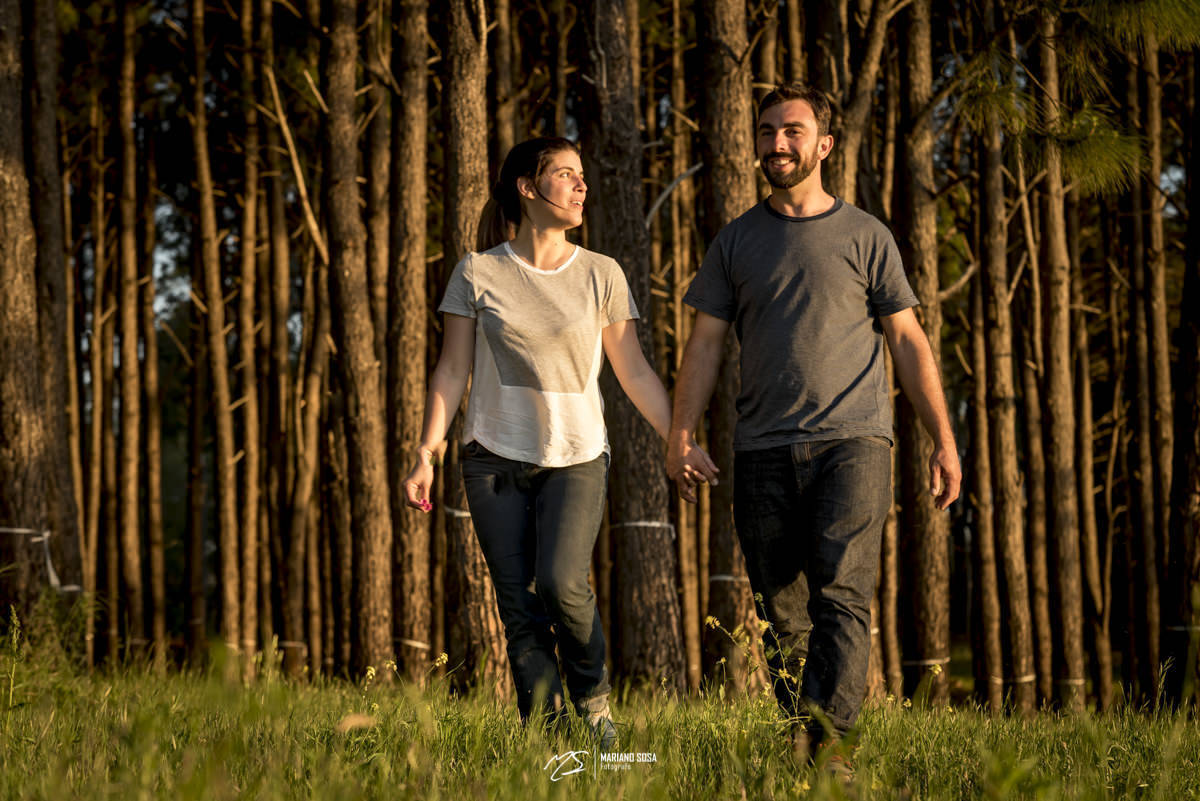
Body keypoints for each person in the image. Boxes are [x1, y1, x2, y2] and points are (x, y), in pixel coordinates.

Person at [666, 84, 961, 771]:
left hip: (854, 441)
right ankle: (808, 743)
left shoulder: (866, 235)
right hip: (761, 447)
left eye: (792, 131)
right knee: (781, 611)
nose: (777, 143)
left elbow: (908, 340)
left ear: (824, 145)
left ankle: (832, 752)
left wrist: (943, 440)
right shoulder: (735, 241)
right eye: (767, 130)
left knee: (842, 595)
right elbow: (704, 344)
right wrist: (679, 435)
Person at [403, 136, 698, 748]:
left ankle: (594, 706)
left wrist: (680, 439)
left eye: (581, 174)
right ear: (527, 188)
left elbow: (634, 372)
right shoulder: (477, 272)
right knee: (519, 606)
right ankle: (548, 737)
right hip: (491, 458)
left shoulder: (600, 273)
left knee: (563, 583)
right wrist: (426, 453)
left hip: (577, 455)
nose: (581, 185)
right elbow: (452, 370)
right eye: (565, 174)